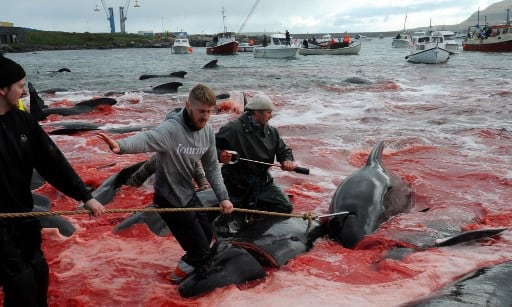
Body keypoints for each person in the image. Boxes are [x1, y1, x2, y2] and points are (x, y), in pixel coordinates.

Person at [96, 84, 233, 284]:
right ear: (188, 105)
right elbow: (148, 138)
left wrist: (224, 197)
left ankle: (188, 265)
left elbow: (211, 167)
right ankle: (174, 282)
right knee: (201, 251)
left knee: (206, 234)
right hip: (168, 200)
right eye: (201, 111)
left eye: (209, 112)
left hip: (187, 194)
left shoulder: (208, 132)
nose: (205, 116)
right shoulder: (171, 129)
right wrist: (121, 146)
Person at [0, 55, 106, 306]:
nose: (24, 91)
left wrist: (85, 196)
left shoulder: (23, 120)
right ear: (2, 89)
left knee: (39, 272)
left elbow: (52, 161)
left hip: (22, 215)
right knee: (21, 283)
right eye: (20, 86)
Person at [216, 94, 296, 216]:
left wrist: (287, 160)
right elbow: (210, 148)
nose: (271, 116)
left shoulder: (272, 132)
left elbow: (284, 150)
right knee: (229, 214)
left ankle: (256, 220)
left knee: (285, 206)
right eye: (268, 112)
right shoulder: (233, 129)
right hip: (236, 183)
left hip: (263, 182)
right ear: (256, 113)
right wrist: (220, 155)